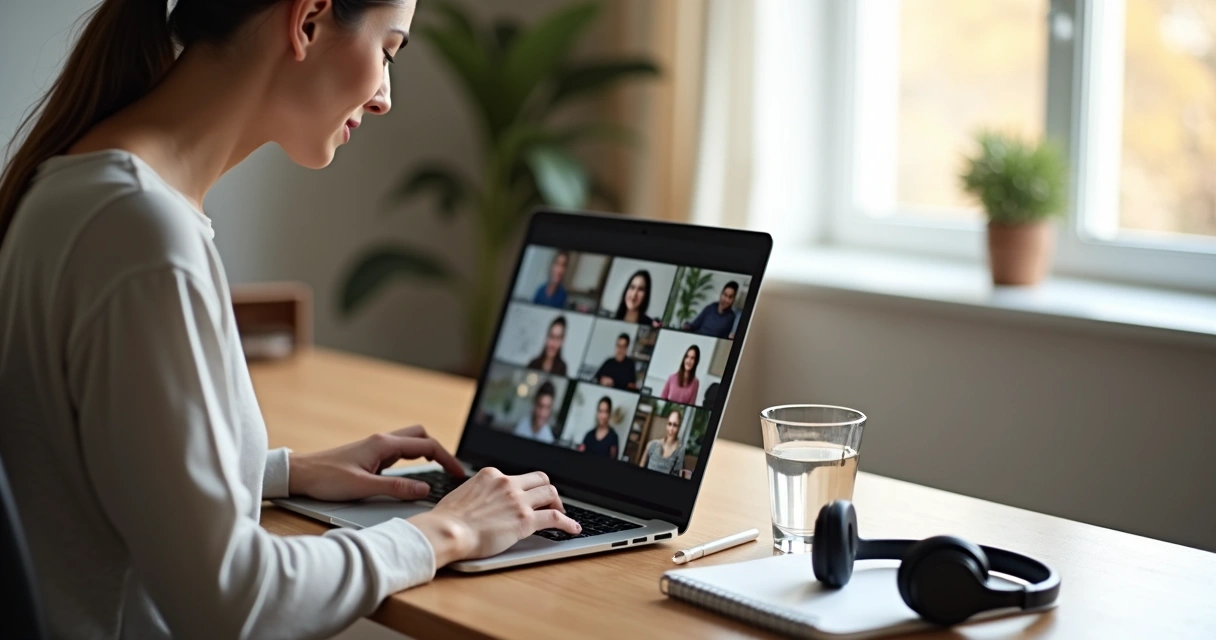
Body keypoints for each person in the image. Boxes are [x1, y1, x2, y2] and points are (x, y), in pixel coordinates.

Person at [0, 2, 581, 638]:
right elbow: (233, 601)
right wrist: (448, 529)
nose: (386, 96)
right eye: (388, 50)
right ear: (306, 22)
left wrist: (277, 471)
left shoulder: (79, 188)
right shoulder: (142, 236)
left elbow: (80, 461)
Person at [640, 409, 685, 475]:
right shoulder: (652, 444)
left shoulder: (680, 451)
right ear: (666, 425)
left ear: (679, 427)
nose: (671, 429)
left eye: (675, 425)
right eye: (669, 424)